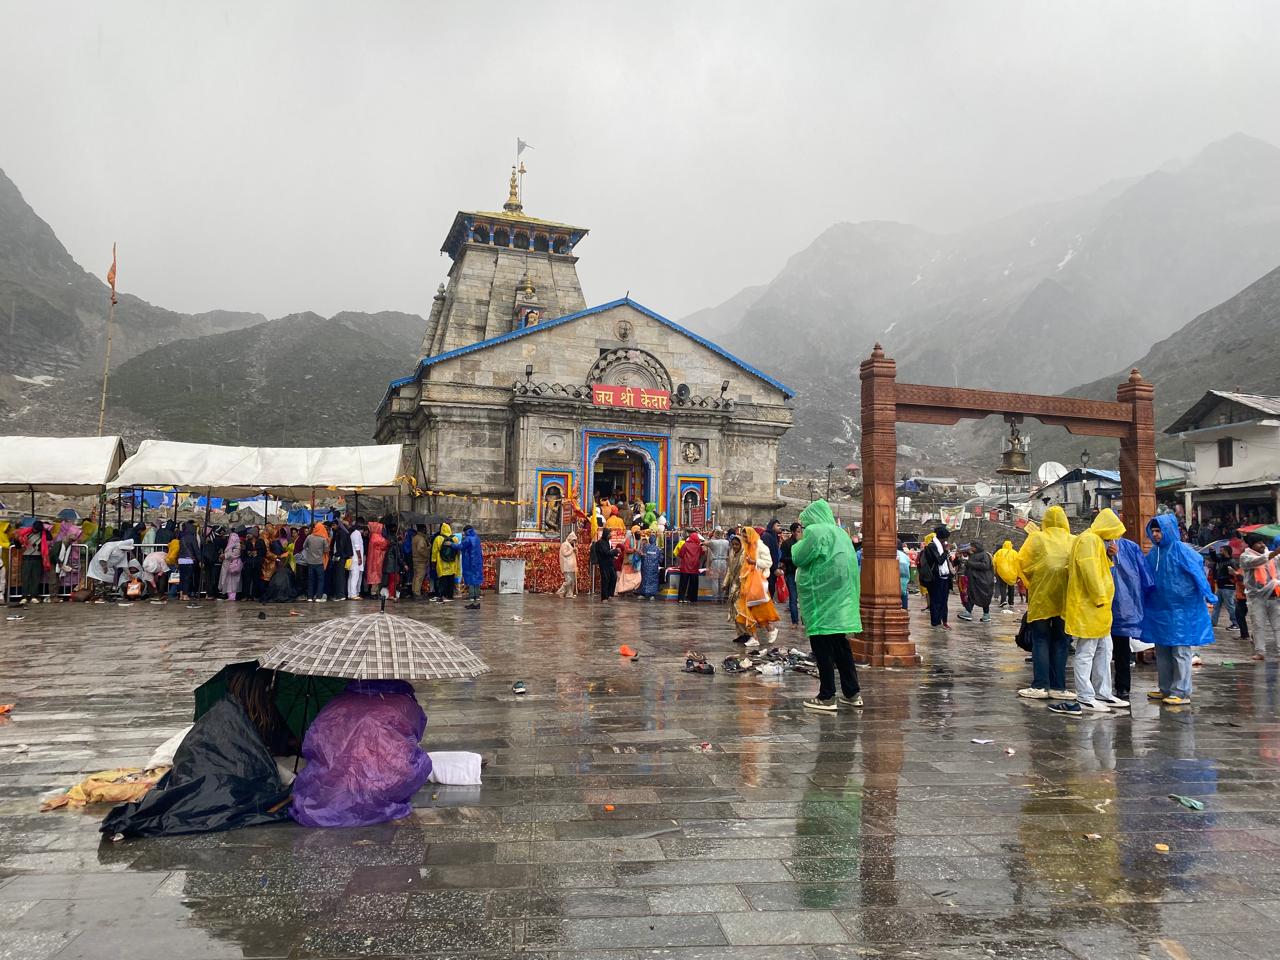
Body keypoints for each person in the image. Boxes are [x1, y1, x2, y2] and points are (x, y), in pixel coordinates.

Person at [791, 500, 862, 711]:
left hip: (821, 600)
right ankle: (852, 693)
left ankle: (827, 696)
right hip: (841, 600)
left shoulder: (815, 531)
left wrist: (798, 542)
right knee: (841, 647)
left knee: (822, 647)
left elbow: (799, 557)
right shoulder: (841, 533)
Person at [1058, 509, 1129, 716]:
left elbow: (1099, 567)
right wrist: (1099, 597)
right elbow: (1090, 571)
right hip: (1090, 605)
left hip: (1100, 607)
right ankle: (1085, 695)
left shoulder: (1096, 541)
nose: (1114, 538)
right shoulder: (1089, 540)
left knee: (1104, 650)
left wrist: (1108, 555)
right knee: (1086, 651)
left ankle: (1102, 692)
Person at [1143, 514, 1215, 706]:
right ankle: (1165, 688)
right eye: (1153, 531)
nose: (1155, 534)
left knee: (1180, 651)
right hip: (1160, 609)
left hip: (1181, 610)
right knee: (1163, 651)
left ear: (1169, 530)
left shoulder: (1182, 551)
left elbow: (1198, 573)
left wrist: (1208, 594)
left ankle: (1181, 692)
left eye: (1159, 531)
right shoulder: (1154, 553)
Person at [1017, 506, 1074, 702]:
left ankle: (1040, 685)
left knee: (1040, 640)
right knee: (1061, 641)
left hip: (1041, 597)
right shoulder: (1073, 540)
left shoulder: (1036, 538)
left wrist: (1031, 581)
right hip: (1065, 599)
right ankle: (1058, 686)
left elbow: (1022, 562)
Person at [1109, 525, 1154, 702]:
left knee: (1103, 650)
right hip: (1124, 607)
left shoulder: (1095, 544)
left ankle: (1112, 688)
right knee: (1119, 649)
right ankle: (1121, 688)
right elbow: (1146, 578)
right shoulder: (1130, 547)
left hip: (1111, 606)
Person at [735, 525, 780, 649]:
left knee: (758, 608)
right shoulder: (746, 547)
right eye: (743, 536)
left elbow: (768, 562)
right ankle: (754, 636)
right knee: (747, 610)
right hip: (746, 581)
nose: (745, 538)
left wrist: (754, 562)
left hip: (757, 582)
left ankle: (770, 629)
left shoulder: (761, 546)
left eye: (746, 536)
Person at [1239, 533, 1280, 661]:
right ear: (1251, 545)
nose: (1262, 545)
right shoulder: (1245, 557)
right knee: (1258, 625)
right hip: (1256, 598)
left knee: (1278, 626)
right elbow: (1257, 561)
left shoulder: (1273, 555)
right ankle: (1260, 652)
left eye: (1262, 542)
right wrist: (1274, 553)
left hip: (1274, 596)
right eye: (1258, 543)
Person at [917, 524, 953, 629]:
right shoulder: (932, 547)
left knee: (944, 601)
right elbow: (939, 561)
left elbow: (946, 562)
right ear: (942, 538)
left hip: (945, 577)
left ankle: (944, 620)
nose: (946, 541)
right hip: (935, 578)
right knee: (936, 601)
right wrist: (946, 550)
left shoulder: (941, 546)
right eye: (945, 539)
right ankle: (935, 622)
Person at [959, 540, 995, 623]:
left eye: (972, 546)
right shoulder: (974, 555)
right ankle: (968, 612)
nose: (971, 548)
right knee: (972, 595)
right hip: (974, 581)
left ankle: (985, 614)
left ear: (976, 547)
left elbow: (985, 565)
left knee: (984, 597)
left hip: (983, 581)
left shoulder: (985, 555)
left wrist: (970, 563)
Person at [17, 520, 51, 605]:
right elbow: (18, 543)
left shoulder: (43, 534)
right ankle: (24, 596)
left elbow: (50, 538)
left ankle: (34, 596)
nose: (35, 530)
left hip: (38, 557)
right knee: (25, 578)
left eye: (37, 529)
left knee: (36, 578)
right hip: (26, 557)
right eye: (35, 529)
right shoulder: (26, 532)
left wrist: (45, 530)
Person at [431, 522, 460, 602]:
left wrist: (433, 561)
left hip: (441, 563)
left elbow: (434, 551)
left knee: (442, 580)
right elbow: (458, 551)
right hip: (452, 563)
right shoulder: (455, 538)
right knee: (451, 580)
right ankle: (450, 595)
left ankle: (442, 595)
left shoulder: (438, 538)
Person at [1211, 546, 1239, 630]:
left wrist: (1230, 578)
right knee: (1216, 605)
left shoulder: (1232, 562)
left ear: (1226, 551)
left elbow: (1237, 573)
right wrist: (1212, 551)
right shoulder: (1222, 560)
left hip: (1228, 587)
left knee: (1230, 606)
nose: (1220, 552)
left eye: (1221, 551)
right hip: (1220, 586)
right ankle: (1213, 622)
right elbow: (1215, 559)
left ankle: (1236, 623)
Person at [301, 521, 329, 602]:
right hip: (319, 562)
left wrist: (309, 551)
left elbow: (304, 546)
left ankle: (309, 597)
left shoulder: (309, 537)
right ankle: (318, 597)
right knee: (320, 580)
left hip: (310, 562)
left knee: (310, 580)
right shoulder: (323, 539)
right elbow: (326, 550)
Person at [326, 516, 353, 601]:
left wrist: (337, 555)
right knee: (338, 576)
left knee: (340, 577)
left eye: (334, 525)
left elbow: (341, 546)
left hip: (341, 558)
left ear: (338, 525)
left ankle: (341, 595)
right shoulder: (338, 533)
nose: (332, 527)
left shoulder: (342, 533)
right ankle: (339, 594)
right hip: (338, 557)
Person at [459, 525, 483, 609]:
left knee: (471, 580)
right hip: (478, 562)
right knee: (476, 580)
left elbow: (461, 547)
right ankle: (477, 599)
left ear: (466, 531)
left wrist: (451, 544)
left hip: (470, 562)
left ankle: (472, 599)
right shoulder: (477, 538)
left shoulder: (468, 539)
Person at [676, 528, 703, 603]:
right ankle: (692, 599)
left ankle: (681, 598)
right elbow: (702, 554)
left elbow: (680, 554)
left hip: (685, 567)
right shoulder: (698, 546)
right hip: (694, 567)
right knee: (693, 584)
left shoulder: (685, 544)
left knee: (683, 584)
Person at [781, 523, 801, 624]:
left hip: (803, 572)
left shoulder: (804, 543)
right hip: (791, 572)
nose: (800, 533)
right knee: (793, 597)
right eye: (798, 531)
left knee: (804, 598)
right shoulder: (786, 543)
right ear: (793, 532)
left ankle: (805, 620)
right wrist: (794, 559)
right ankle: (794, 621)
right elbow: (782, 558)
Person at [176, 520, 200, 601]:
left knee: (182, 578)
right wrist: (200, 560)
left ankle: (181, 594)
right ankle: (185, 595)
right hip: (189, 560)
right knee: (187, 578)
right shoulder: (192, 538)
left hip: (180, 559)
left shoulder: (181, 538)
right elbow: (196, 550)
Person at [593, 526, 619, 601]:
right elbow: (606, 552)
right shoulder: (600, 543)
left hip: (610, 563)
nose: (610, 535)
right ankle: (604, 597)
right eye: (609, 534)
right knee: (605, 579)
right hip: (604, 564)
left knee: (613, 577)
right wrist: (615, 551)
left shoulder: (607, 542)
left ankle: (609, 594)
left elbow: (609, 551)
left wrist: (614, 553)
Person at [705, 528, 730, 603]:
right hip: (724, 561)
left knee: (715, 581)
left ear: (715, 534)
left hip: (715, 561)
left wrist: (709, 536)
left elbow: (705, 543)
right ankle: (722, 598)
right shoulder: (726, 542)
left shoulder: (713, 542)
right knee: (722, 581)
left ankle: (715, 598)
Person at [993, 539, 1020, 610]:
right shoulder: (1014, 553)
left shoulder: (999, 552)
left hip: (1002, 572)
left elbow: (994, 561)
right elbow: (1018, 563)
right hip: (1012, 573)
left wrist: (994, 571)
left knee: (1002, 587)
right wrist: (1019, 574)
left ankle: (1003, 600)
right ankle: (1011, 602)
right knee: (1011, 587)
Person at [365, 521, 389, 596]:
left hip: (373, 559)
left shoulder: (372, 536)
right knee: (376, 575)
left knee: (374, 575)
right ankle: (374, 592)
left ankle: (374, 592)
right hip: (377, 559)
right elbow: (385, 543)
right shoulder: (377, 537)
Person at [241, 527, 265, 602]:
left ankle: (255, 595)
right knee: (247, 580)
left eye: (250, 534)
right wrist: (245, 560)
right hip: (248, 563)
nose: (248, 535)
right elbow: (243, 553)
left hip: (257, 563)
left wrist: (258, 555)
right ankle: (246, 595)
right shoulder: (246, 542)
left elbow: (263, 552)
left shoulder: (260, 542)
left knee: (256, 580)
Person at [762, 519, 783, 598]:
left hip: (773, 568)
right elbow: (767, 554)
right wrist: (774, 568)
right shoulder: (766, 536)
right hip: (768, 569)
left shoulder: (774, 536)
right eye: (777, 525)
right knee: (768, 590)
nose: (779, 527)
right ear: (772, 526)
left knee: (771, 590)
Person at [219, 529, 243, 601]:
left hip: (233, 566)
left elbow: (236, 554)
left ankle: (232, 596)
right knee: (228, 581)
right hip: (228, 566)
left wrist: (225, 555)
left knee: (233, 582)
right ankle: (229, 595)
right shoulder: (232, 545)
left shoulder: (237, 546)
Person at [638, 532, 663, 600]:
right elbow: (661, 559)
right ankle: (652, 595)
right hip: (654, 569)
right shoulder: (658, 549)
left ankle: (643, 593)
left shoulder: (645, 547)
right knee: (653, 581)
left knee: (644, 580)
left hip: (645, 568)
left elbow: (641, 555)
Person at [411, 524, 432, 599]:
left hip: (415, 559)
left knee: (416, 576)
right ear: (422, 529)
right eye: (425, 529)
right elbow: (421, 549)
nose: (426, 530)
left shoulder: (415, 537)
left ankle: (414, 591)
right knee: (419, 577)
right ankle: (417, 593)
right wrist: (427, 552)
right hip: (421, 560)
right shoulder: (421, 539)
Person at [347, 519, 366, 601]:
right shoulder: (357, 534)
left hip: (354, 558)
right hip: (356, 558)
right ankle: (353, 594)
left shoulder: (353, 534)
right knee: (355, 576)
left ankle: (350, 594)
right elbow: (357, 547)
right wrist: (359, 558)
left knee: (351, 577)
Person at [557, 531, 579, 598]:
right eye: (573, 540)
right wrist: (572, 550)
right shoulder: (565, 544)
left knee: (572, 581)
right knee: (569, 580)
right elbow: (564, 553)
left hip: (572, 566)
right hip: (567, 565)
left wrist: (575, 551)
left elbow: (573, 555)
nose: (574, 542)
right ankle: (561, 591)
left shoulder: (570, 545)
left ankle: (569, 594)